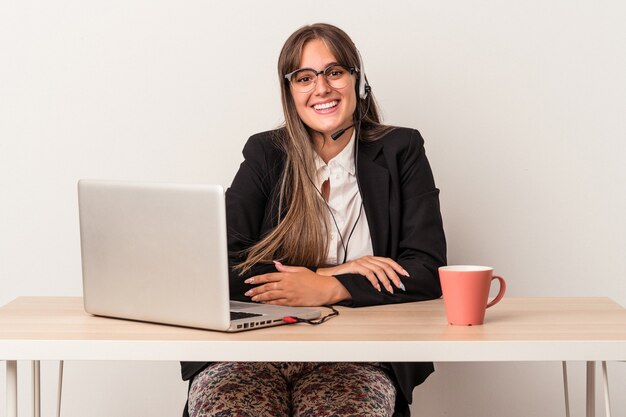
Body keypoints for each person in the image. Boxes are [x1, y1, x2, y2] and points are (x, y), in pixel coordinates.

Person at [181, 23, 446, 417]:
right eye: (304, 78)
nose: (321, 89)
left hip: (357, 356)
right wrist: (322, 272)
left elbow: (426, 270)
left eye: (334, 72)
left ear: (358, 80)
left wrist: (330, 288)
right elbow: (217, 264)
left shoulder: (401, 149)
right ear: (290, 92)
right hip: (250, 353)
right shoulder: (265, 154)